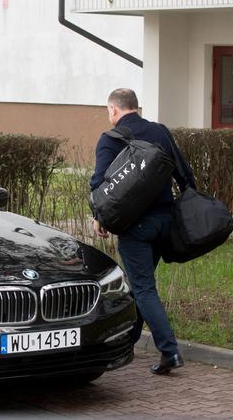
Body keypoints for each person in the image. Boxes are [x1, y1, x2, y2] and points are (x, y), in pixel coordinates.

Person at [90, 88, 196, 375]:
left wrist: (98, 216)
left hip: (135, 228)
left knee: (143, 288)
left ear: (113, 110)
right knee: (140, 286)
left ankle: (170, 352)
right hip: (164, 223)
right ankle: (128, 341)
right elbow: (185, 175)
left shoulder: (110, 140)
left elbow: (99, 184)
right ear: (137, 107)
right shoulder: (160, 132)